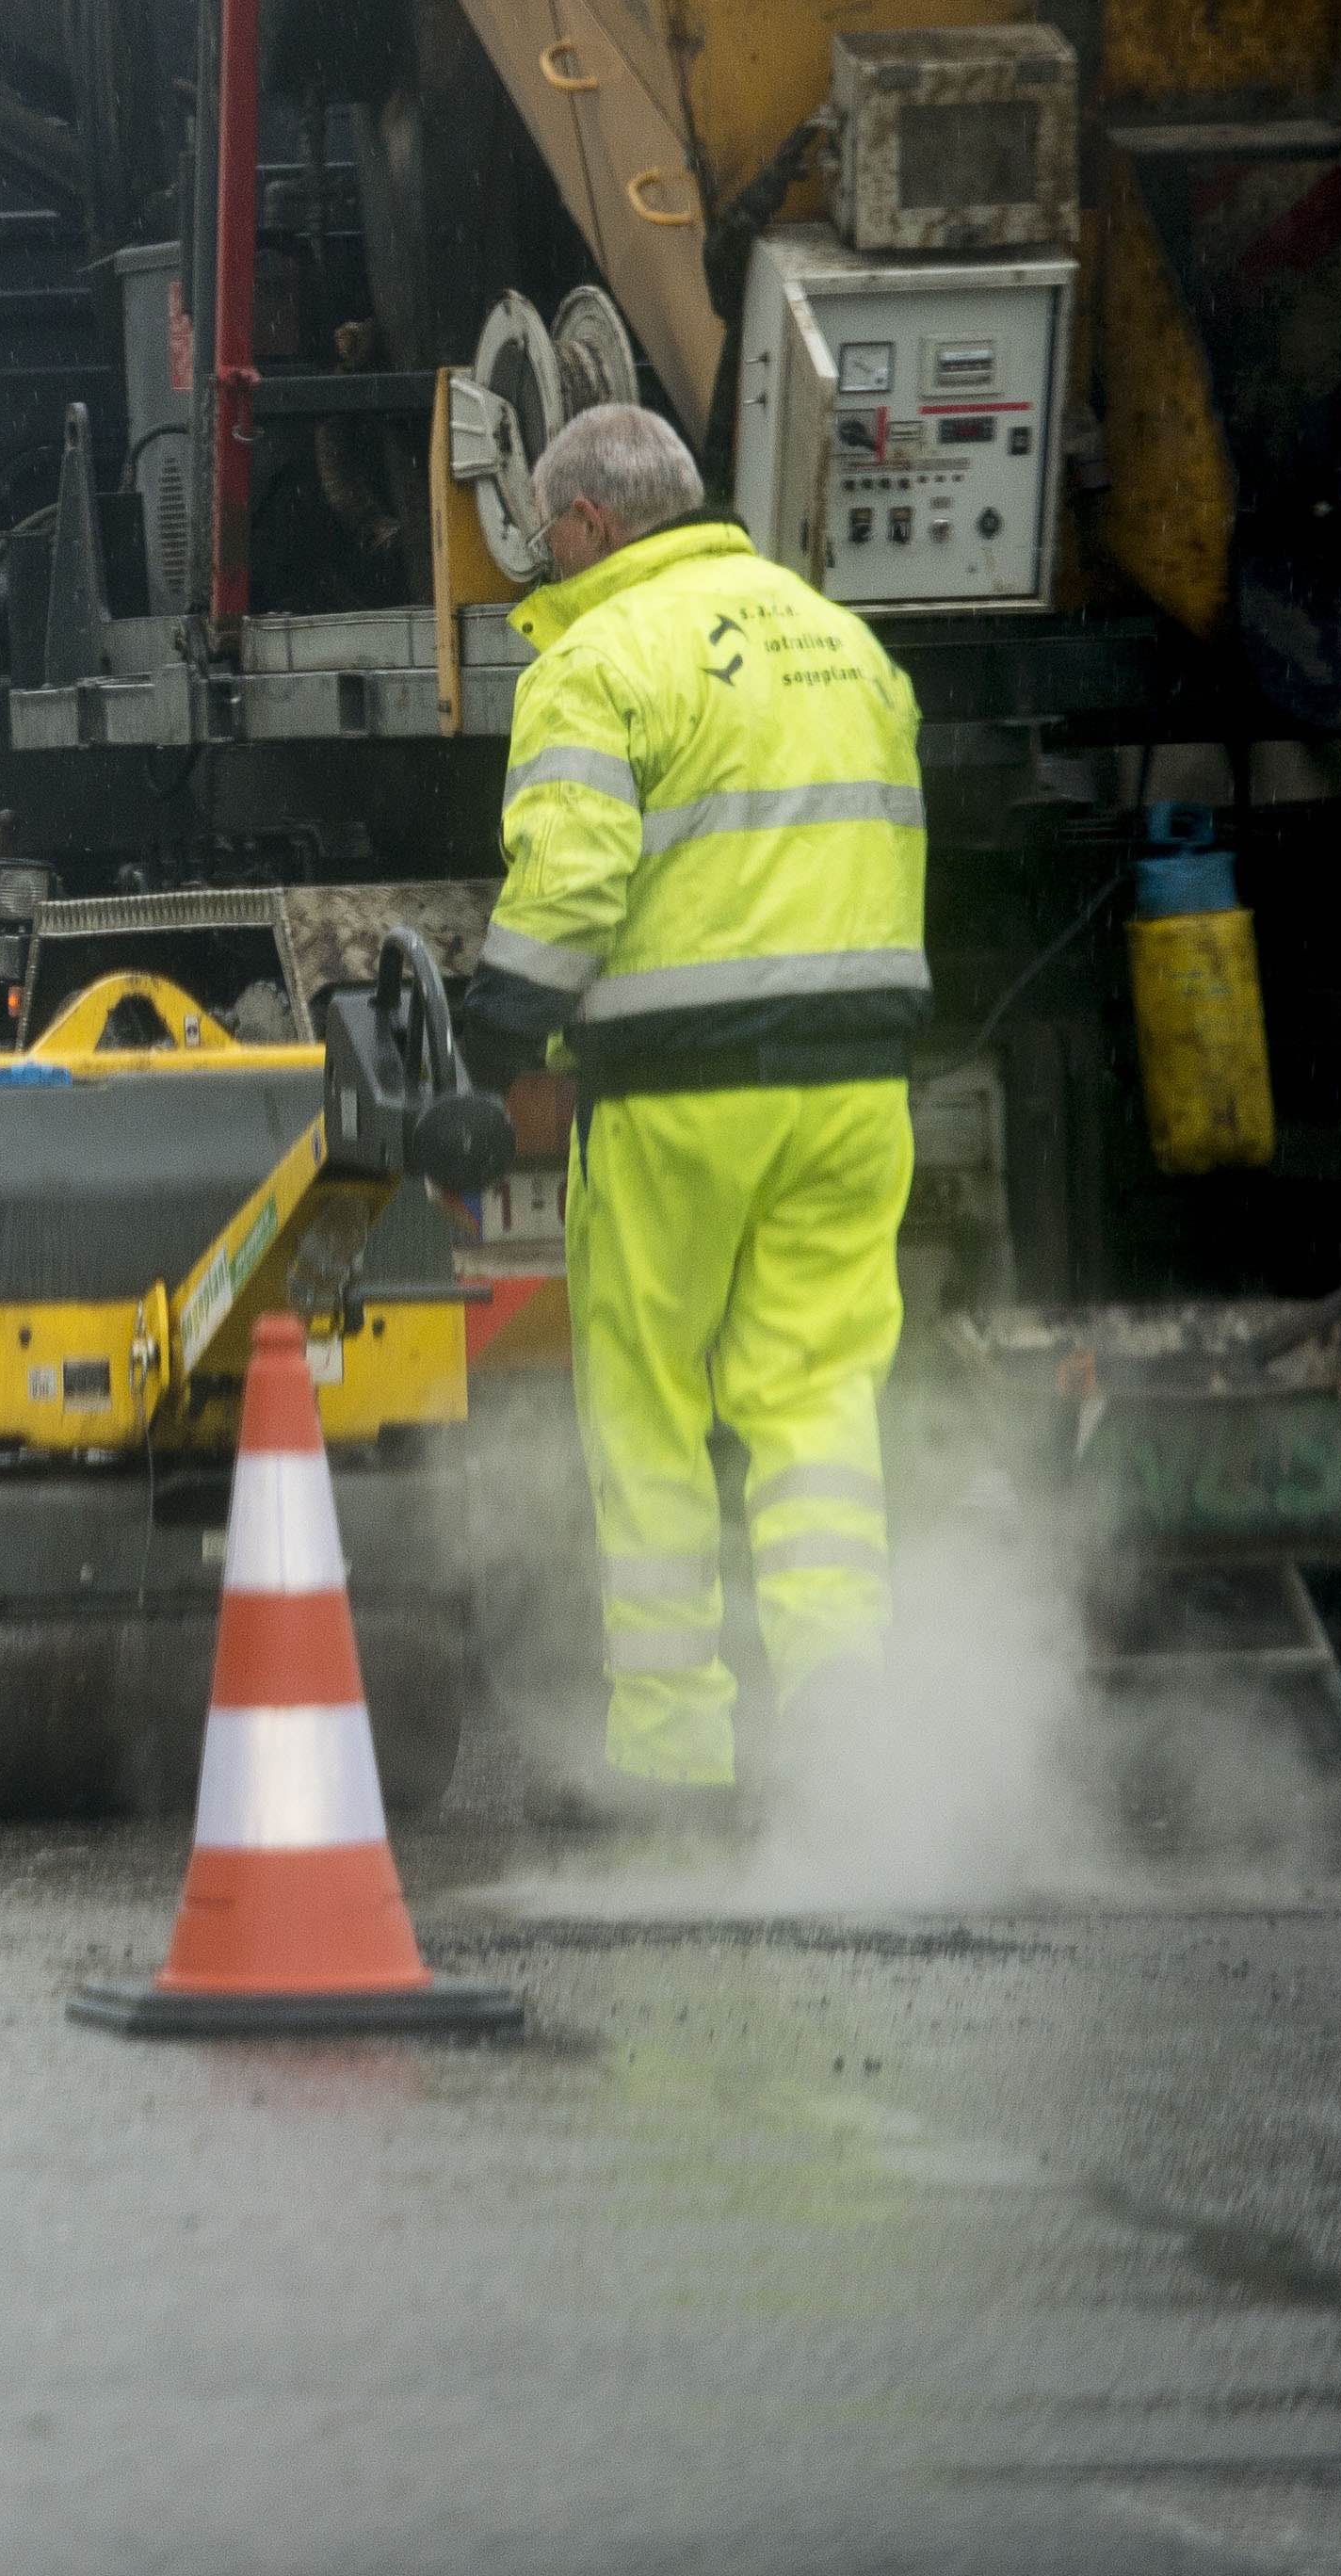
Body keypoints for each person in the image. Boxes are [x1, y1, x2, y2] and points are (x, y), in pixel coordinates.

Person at [453, 404, 929, 1806]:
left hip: (679, 1097)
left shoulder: (596, 661)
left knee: (651, 1415)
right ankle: (846, 1741)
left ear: (592, 526)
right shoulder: (838, 640)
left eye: (550, 538)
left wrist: (493, 1041)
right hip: (855, 1095)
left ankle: (673, 1762)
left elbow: (571, 889)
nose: (545, 564)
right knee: (820, 1408)